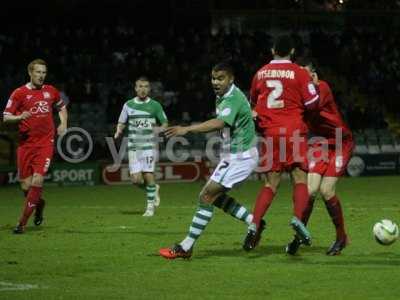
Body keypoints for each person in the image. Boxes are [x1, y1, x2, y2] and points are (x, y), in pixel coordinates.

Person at [159, 62, 258, 259]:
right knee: (215, 197)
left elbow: (220, 122)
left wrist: (187, 128)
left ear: (231, 79)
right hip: (234, 154)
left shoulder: (232, 97)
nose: (215, 82)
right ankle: (255, 222)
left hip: (240, 156)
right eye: (213, 78)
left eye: (220, 78)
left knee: (205, 196)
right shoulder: (224, 95)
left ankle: (186, 246)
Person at [243, 35, 319, 251]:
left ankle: (255, 223)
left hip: (271, 133)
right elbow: (313, 104)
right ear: (292, 51)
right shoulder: (299, 73)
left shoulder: (260, 73)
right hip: (294, 130)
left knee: (270, 184)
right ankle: (297, 218)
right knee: (300, 179)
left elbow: (253, 107)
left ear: (273, 49)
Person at [286, 59, 354, 256]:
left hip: (341, 141)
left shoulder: (322, 87)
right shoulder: (301, 94)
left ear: (314, 76)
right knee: (310, 191)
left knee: (326, 189)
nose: (302, 80)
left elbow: (310, 107)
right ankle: (298, 238)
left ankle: (341, 238)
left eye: (306, 76)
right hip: (319, 143)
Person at [2, 58, 68, 234]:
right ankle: (39, 206)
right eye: (38, 72)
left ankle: (21, 223)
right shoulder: (19, 93)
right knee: (25, 186)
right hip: (25, 145)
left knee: (38, 180)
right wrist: (19, 117)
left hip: (46, 143)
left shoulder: (51, 91)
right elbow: (6, 117)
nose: (41, 76)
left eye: (44, 72)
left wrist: (63, 123)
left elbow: (62, 107)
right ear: (30, 73)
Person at [114, 76, 168, 217]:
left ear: (149, 89)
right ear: (135, 88)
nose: (143, 89)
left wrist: (158, 130)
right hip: (133, 147)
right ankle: (153, 189)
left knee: (148, 175)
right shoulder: (128, 105)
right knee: (136, 180)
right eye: (140, 86)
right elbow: (121, 122)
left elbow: (165, 123)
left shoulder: (155, 105)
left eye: (145, 86)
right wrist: (119, 130)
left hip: (149, 146)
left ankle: (150, 208)